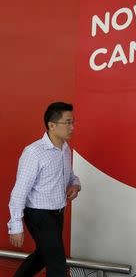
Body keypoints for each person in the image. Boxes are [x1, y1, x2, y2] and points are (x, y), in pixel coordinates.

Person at [8, 102, 81, 277]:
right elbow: (19, 190)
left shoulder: (65, 149)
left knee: (43, 255)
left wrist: (76, 185)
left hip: (57, 212)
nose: (72, 127)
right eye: (68, 122)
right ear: (52, 125)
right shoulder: (34, 152)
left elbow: (70, 176)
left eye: (73, 122)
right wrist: (15, 225)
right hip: (39, 214)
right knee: (57, 266)